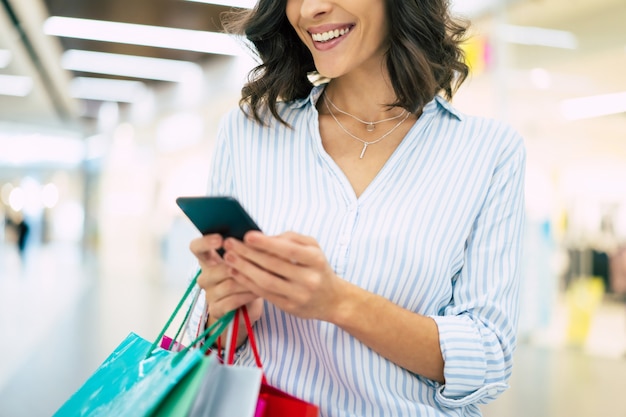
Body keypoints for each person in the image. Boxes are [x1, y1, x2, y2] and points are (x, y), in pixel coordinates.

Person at [188, 0, 526, 416]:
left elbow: (488, 360)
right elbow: (208, 342)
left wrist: (338, 302)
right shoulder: (247, 131)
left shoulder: (489, 151)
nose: (310, 9)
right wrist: (224, 314)